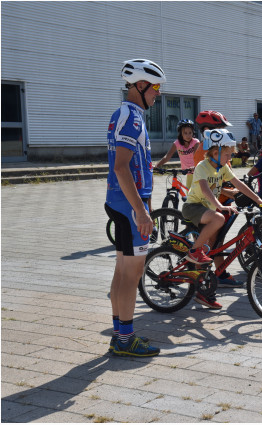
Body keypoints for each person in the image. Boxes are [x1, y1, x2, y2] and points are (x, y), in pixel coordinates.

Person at [105, 58, 165, 357]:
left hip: (120, 201)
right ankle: (125, 341)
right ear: (140, 86)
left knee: (121, 270)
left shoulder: (124, 113)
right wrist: (141, 211)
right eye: (155, 88)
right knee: (132, 275)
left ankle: (119, 334)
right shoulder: (133, 117)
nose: (158, 94)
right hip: (129, 205)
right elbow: (121, 167)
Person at [182, 129, 262, 298]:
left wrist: (259, 200)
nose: (230, 159)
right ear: (216, 152)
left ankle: (205, 292)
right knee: (218, 219)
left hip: (207, 209)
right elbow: (205, 189)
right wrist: (219, 206)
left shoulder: (222, 168)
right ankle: (194, 251)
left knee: (212, 248)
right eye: (228, 155)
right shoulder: (203, 166)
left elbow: (240, 184)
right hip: (193, 207)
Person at [155, 119, 200, 188]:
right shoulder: (177, 143)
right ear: (181, 133)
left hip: (197, 171)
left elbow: (196, 156)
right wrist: (157, 165)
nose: (188, 135)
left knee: (195, 195)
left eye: (190, 133)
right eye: (185, 133)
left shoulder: (195, 142)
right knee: (189, 195)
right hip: (187, 172)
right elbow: (168, 156)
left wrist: (195, 167)